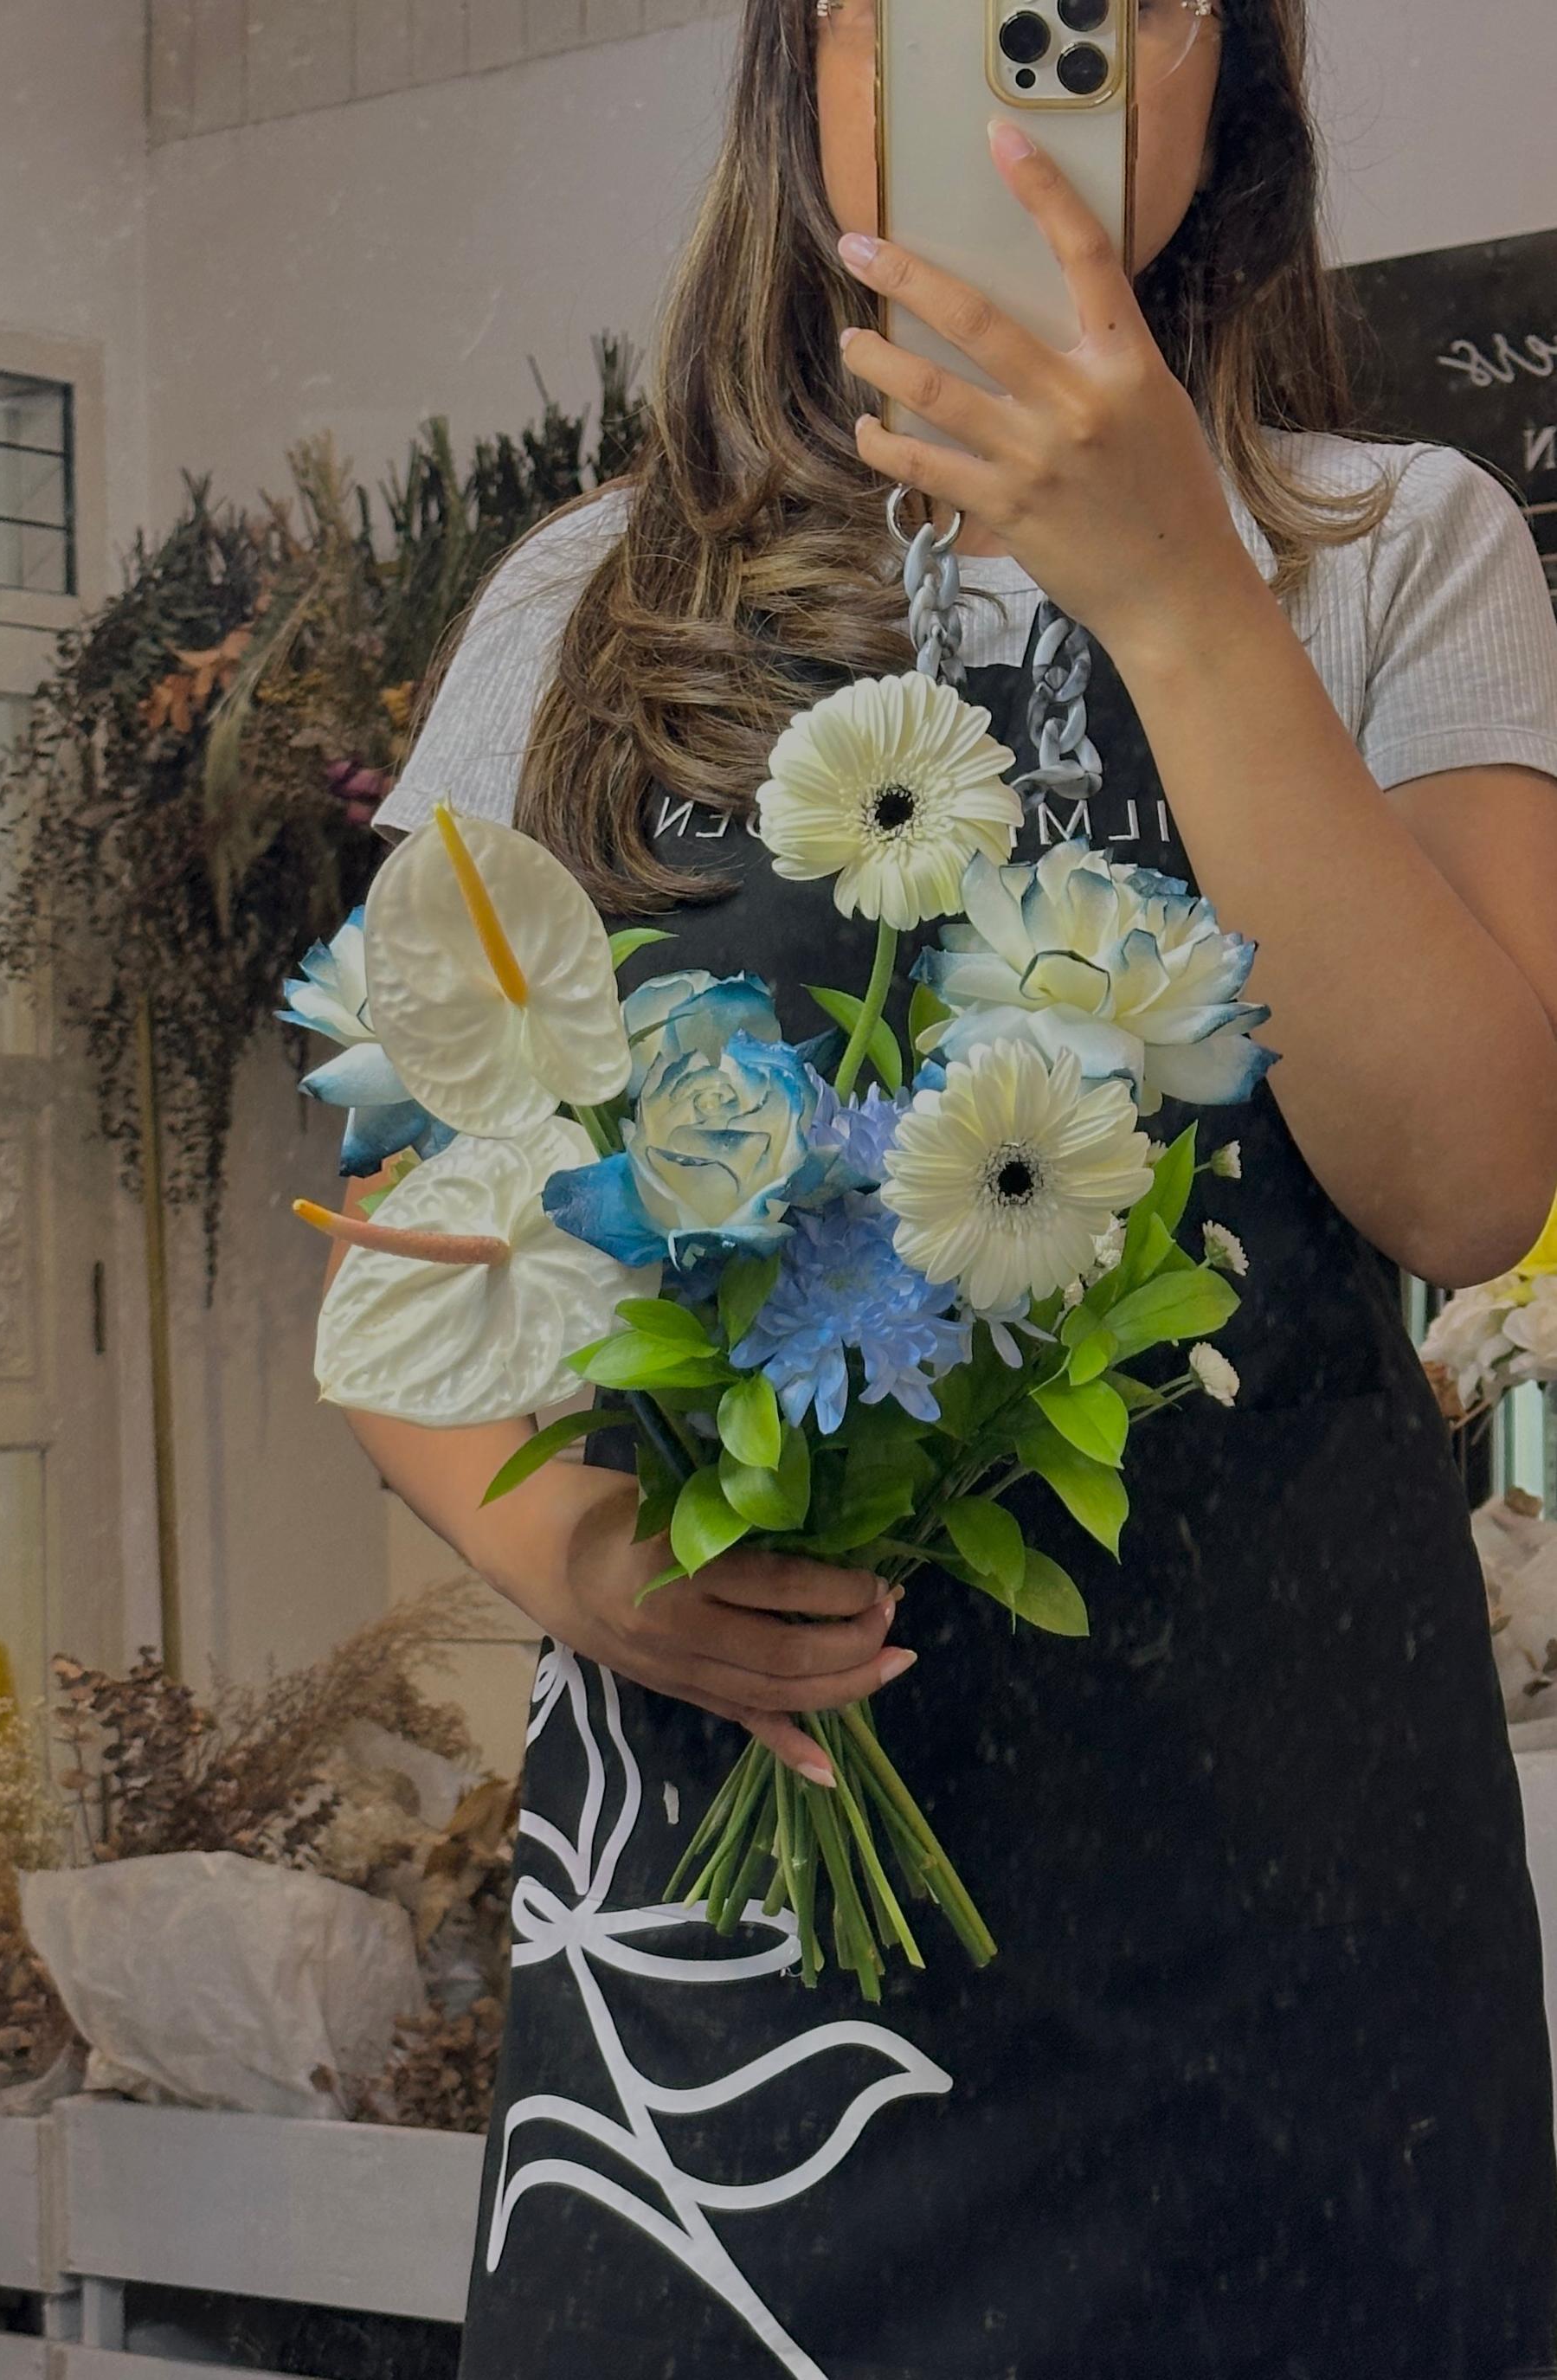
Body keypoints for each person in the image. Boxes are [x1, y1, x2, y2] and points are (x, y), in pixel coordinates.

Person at [343, 1, 1557, 2371]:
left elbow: (1468, 1185)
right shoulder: (586, 608)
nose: (1038, 50)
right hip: (727, 2018)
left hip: (1280, 1972)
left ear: (1234, 74)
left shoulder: (1395, 548)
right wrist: (576, 1551)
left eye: (1127, 4)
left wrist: (1181, 591)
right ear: (813, 63)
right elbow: (407, 1233)